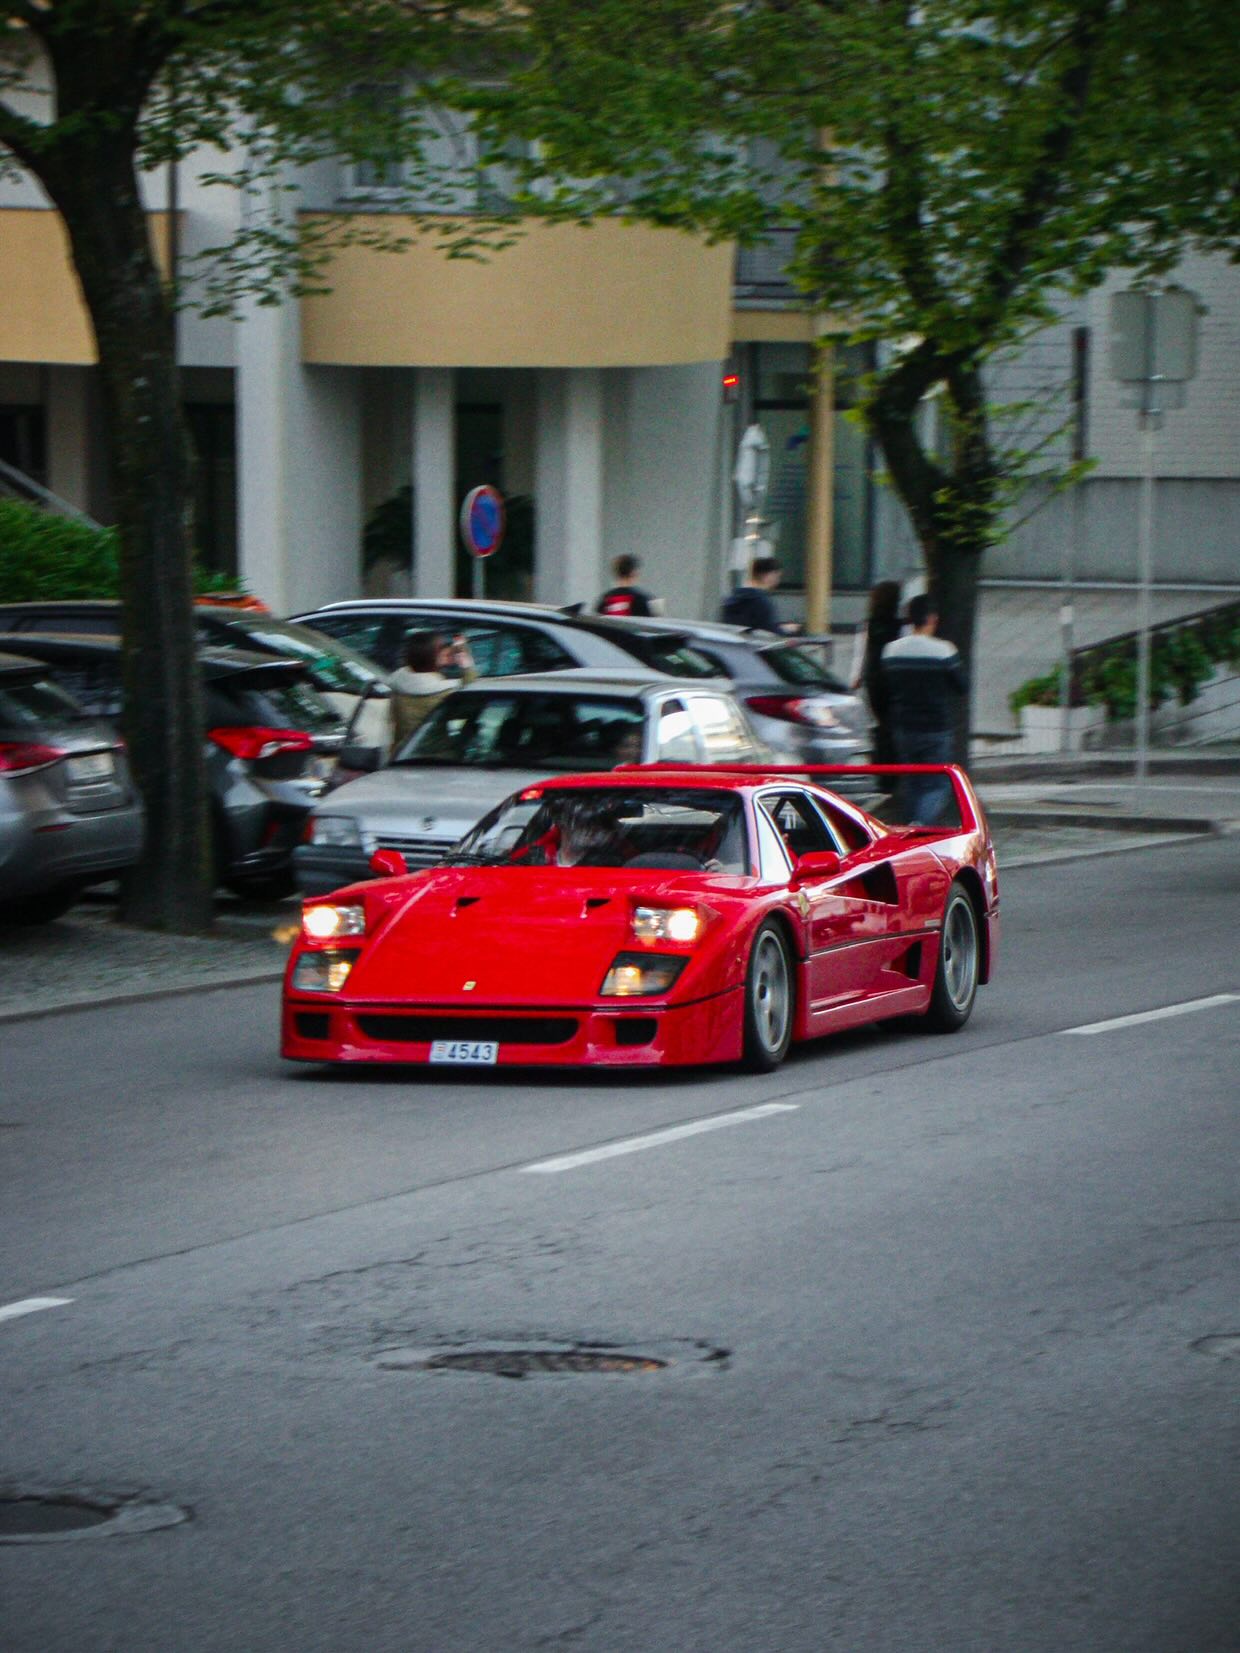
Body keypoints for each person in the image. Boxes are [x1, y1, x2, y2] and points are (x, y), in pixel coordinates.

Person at [876, 594, 967, 823]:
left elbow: (885, 685)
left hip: (904, 726)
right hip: (936, 726)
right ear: (932, 619)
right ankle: (919, 825)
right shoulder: (944, 650)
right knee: (938, 784)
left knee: (912, 781)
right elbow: (961, 685)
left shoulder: (891, 651)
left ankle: (909, 830)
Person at [389, 631, 476, 751]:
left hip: (401, 756)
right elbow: (472, 704)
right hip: (435, 759)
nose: (446, 649)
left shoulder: (397, 683)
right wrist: (466, 662)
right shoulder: (443, 694)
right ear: (432, 657)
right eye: (441, 648)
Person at [849, 579, 903, 764]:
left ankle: (880, 759)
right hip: (894, 678)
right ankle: (891, 761)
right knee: (892, 722)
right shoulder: (900, 625)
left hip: (874, 678)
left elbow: (860, 653)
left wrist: (855, 678)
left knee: (879, 722)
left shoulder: (868, 624)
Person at [720, 555, 796, 634]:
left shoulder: (733, 597)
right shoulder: (762, 602)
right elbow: (770, 632)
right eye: (778, 576)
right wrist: (785, 629)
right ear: (769, 575)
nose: (778, 581)